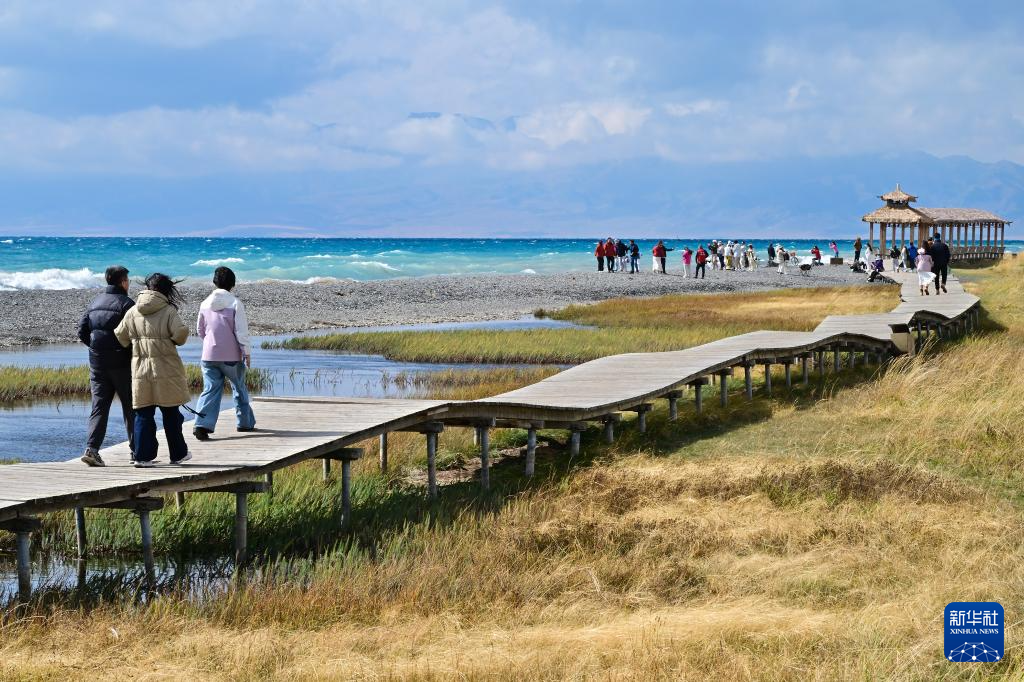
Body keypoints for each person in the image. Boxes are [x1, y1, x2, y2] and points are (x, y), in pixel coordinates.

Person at [114, 273, 191, 467]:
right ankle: (178, 454)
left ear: (147, 287)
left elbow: (120, 335)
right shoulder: (168, 311)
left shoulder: (133, 311)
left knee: (143, 414)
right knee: (171, 414)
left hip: (141, 371)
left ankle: (142, 456)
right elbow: (180, 335)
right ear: (166, 290)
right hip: (166, 370)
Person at [77, 265, 136, 466]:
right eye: (127, 280)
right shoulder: (127, 304)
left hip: (98, 363)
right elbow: (133, 334)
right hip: (122, 364)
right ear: (123, 282)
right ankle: (136, 451)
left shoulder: (95, 302)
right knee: (131, 407)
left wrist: (96, 348)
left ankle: (92, 449)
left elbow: (82, 331)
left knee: (99, 407)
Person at [193, 267, 256, 440]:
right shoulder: (235, 303)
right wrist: (246, 352)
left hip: (209, 355)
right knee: (239, 387)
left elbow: (200, 330)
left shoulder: (205, 303)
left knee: (210, 389)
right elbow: (241, 332)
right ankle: (245, 423)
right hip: (231, 356)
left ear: (214, 282)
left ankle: (201, 424)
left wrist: (210, 342)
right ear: (232, 284)